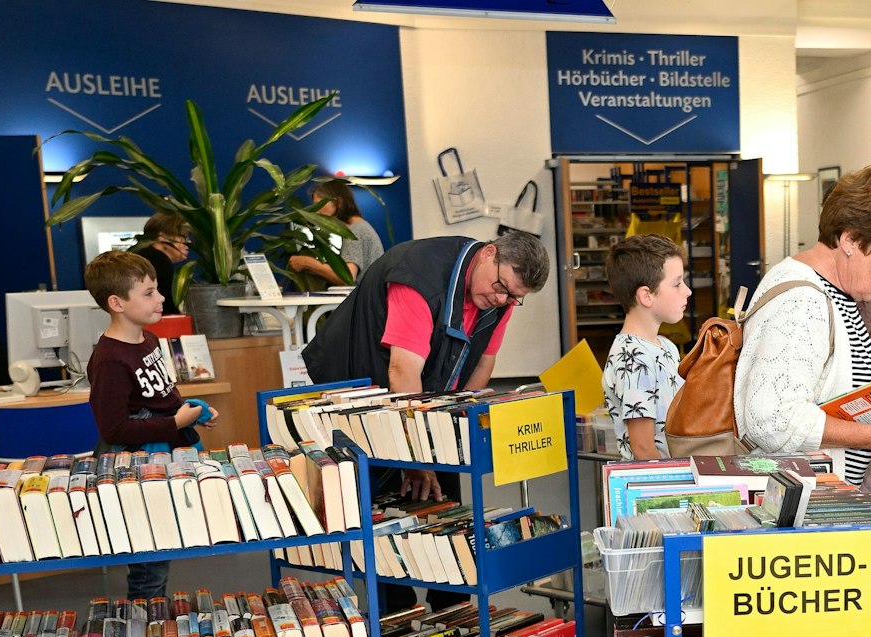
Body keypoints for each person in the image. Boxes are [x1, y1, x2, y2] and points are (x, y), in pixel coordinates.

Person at [302, 231, 551, 502]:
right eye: (501, 287)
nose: (502, 300)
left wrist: (455, 425)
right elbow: (403, 372)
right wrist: (417, 460)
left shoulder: (499, 295)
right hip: (358, 387)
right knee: (371, 495)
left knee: (441, 490)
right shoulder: (419, 277)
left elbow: (483, 361)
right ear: (489, 253)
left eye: (513, 297)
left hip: (419, 392)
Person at [735, 164, 871, 489]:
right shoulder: (802, 302)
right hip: (799, 501)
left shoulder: (835, 293)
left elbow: (837, 390)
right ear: (851, 240)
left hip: (821, 494)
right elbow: (773, 420)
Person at [85, 249, 214, 602]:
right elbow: (114, 430)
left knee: (162, 549)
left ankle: (153, 615)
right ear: (116, 303)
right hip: (137, 468)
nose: (160, 299)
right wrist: (174, 423)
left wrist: (194, 412)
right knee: (148, 560)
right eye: (148, 293)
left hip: (162, 460)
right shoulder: (110, 360)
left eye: (156, 289)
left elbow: (162, 397)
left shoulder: (150, 340)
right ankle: (144, 621)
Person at [602, 234, 690, 460]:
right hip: (656, 478)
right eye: (677, 284)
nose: (687, 291)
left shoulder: (666, 346)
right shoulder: (633, 358)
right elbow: (643, 449)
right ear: (647, 296)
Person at [289, 178, 384, 287]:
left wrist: (308, 263)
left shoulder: (355, 231)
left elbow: (347, 277)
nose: (316, 212)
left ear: (339, 202)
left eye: (320, 205)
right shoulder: (361, 227)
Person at [131, 213, 190, 316]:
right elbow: (167, 308)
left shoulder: (141, 257)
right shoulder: (159, 262)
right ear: (163, 238)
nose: (188, 243)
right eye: (183, 237)